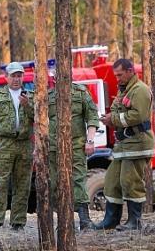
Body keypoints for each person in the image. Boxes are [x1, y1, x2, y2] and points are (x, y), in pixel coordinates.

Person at [93, 59, 155, 231]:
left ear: (130, 71)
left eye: (120, 75)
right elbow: (115, 110)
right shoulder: (124, 91)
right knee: (112, 181)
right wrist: (110, 118)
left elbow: (138, 115)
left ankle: (135, 222)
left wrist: (112, 119)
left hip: (138, 144)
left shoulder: (140, 90)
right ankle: (111, 220)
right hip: (123, 145)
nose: (117, 78)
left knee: (130, 182)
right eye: (115, 75)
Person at [0, 62, 34, 230]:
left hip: (24, 144)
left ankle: (18, 222)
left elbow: (40, 118)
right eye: (13, 76)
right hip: (3, 144)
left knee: (23, 185)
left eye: (19, 75)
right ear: (7, 77)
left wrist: (27, 105)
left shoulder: (30, 96)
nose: (16, 79)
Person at [48, 78, 99, 230]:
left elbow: (92, 117)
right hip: (54, 148)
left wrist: (90, 141)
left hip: (76, 145)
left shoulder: (80, 92)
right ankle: (63, 221)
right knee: (55, 183)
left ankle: (84, 220)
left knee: (78, 180)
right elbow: (37, 118)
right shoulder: (48, 96)